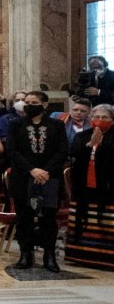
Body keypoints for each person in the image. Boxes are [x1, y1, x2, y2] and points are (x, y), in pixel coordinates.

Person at [7, 91, 68, 272]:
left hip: (49, 178)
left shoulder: (57, 125)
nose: (29, 105)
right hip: (23, 178)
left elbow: (62, 151)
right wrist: (32, 170)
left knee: (48, 218)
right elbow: (12, 151)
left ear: (45, 104)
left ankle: (49, 255)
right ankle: (26, 254)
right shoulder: (15, 125)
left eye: (34, 102)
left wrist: (46, 171)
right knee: (24, 217)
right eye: (27, 102)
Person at [65, 103, 114, 270]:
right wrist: (89, 145)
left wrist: (102, 146)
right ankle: (81, 255)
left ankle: (107, 258)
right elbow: (74, 155)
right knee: (84, 218)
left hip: (107, 188)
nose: (100, 120)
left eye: (104, 117)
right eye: (96, 117)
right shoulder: (82, 136)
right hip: (83, 187)